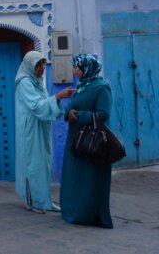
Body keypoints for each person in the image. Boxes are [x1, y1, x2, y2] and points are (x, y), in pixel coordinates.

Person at [15, 51, 75, 214]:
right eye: (38, 64)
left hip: (40, 126)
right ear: (30, 66)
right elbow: (36, 106)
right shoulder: (25, 83)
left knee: (43, 164)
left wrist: (58, 100)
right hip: (31, 130)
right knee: (32, 164)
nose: (42, 67)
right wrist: (58, 96)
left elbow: (43, 104)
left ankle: (44, 200)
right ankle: (31, 201)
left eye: (43, 63)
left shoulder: (37, 81)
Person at [60, 53, 114, 228]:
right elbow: (71, 107)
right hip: (76, 141)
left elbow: (104, 114)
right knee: (75, 177)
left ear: (86, 67)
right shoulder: (82, 87)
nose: (74, 71)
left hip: (92, 142)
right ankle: (74, 211)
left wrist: (80, 115)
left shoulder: (101, 88)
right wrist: (68, 113)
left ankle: (89, 214)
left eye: (76, 67)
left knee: (90, 179)